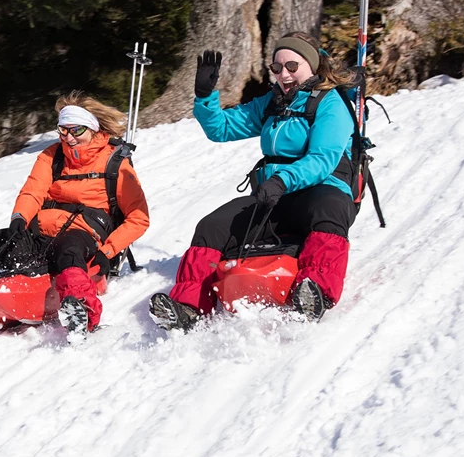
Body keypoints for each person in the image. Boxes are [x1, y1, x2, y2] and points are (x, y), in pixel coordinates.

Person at [150, 32, 357, 328]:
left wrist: (282, 180)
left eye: (292, 66)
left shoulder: (330, 103)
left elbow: (322, 159)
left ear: (311, 66)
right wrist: (205, 96)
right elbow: (221, 129)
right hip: (274, 195)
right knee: (212, 226)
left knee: (330, 209)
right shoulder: (272, 103)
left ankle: (316, 293)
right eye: (277, 68)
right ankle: (189, 306)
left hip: (318, 191)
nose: (283, 75)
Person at [0, 92, 150, 344]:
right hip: (41, 232)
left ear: (92, 129)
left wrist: (108, 252)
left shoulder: (114, 164)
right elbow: (33, 191)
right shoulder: (53, 156)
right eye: (63, 130)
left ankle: (82, 314)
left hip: (84, 234)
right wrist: (20, 218)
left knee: (68, 252)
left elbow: (138, 218)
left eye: (76, 130)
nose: (69, 137)